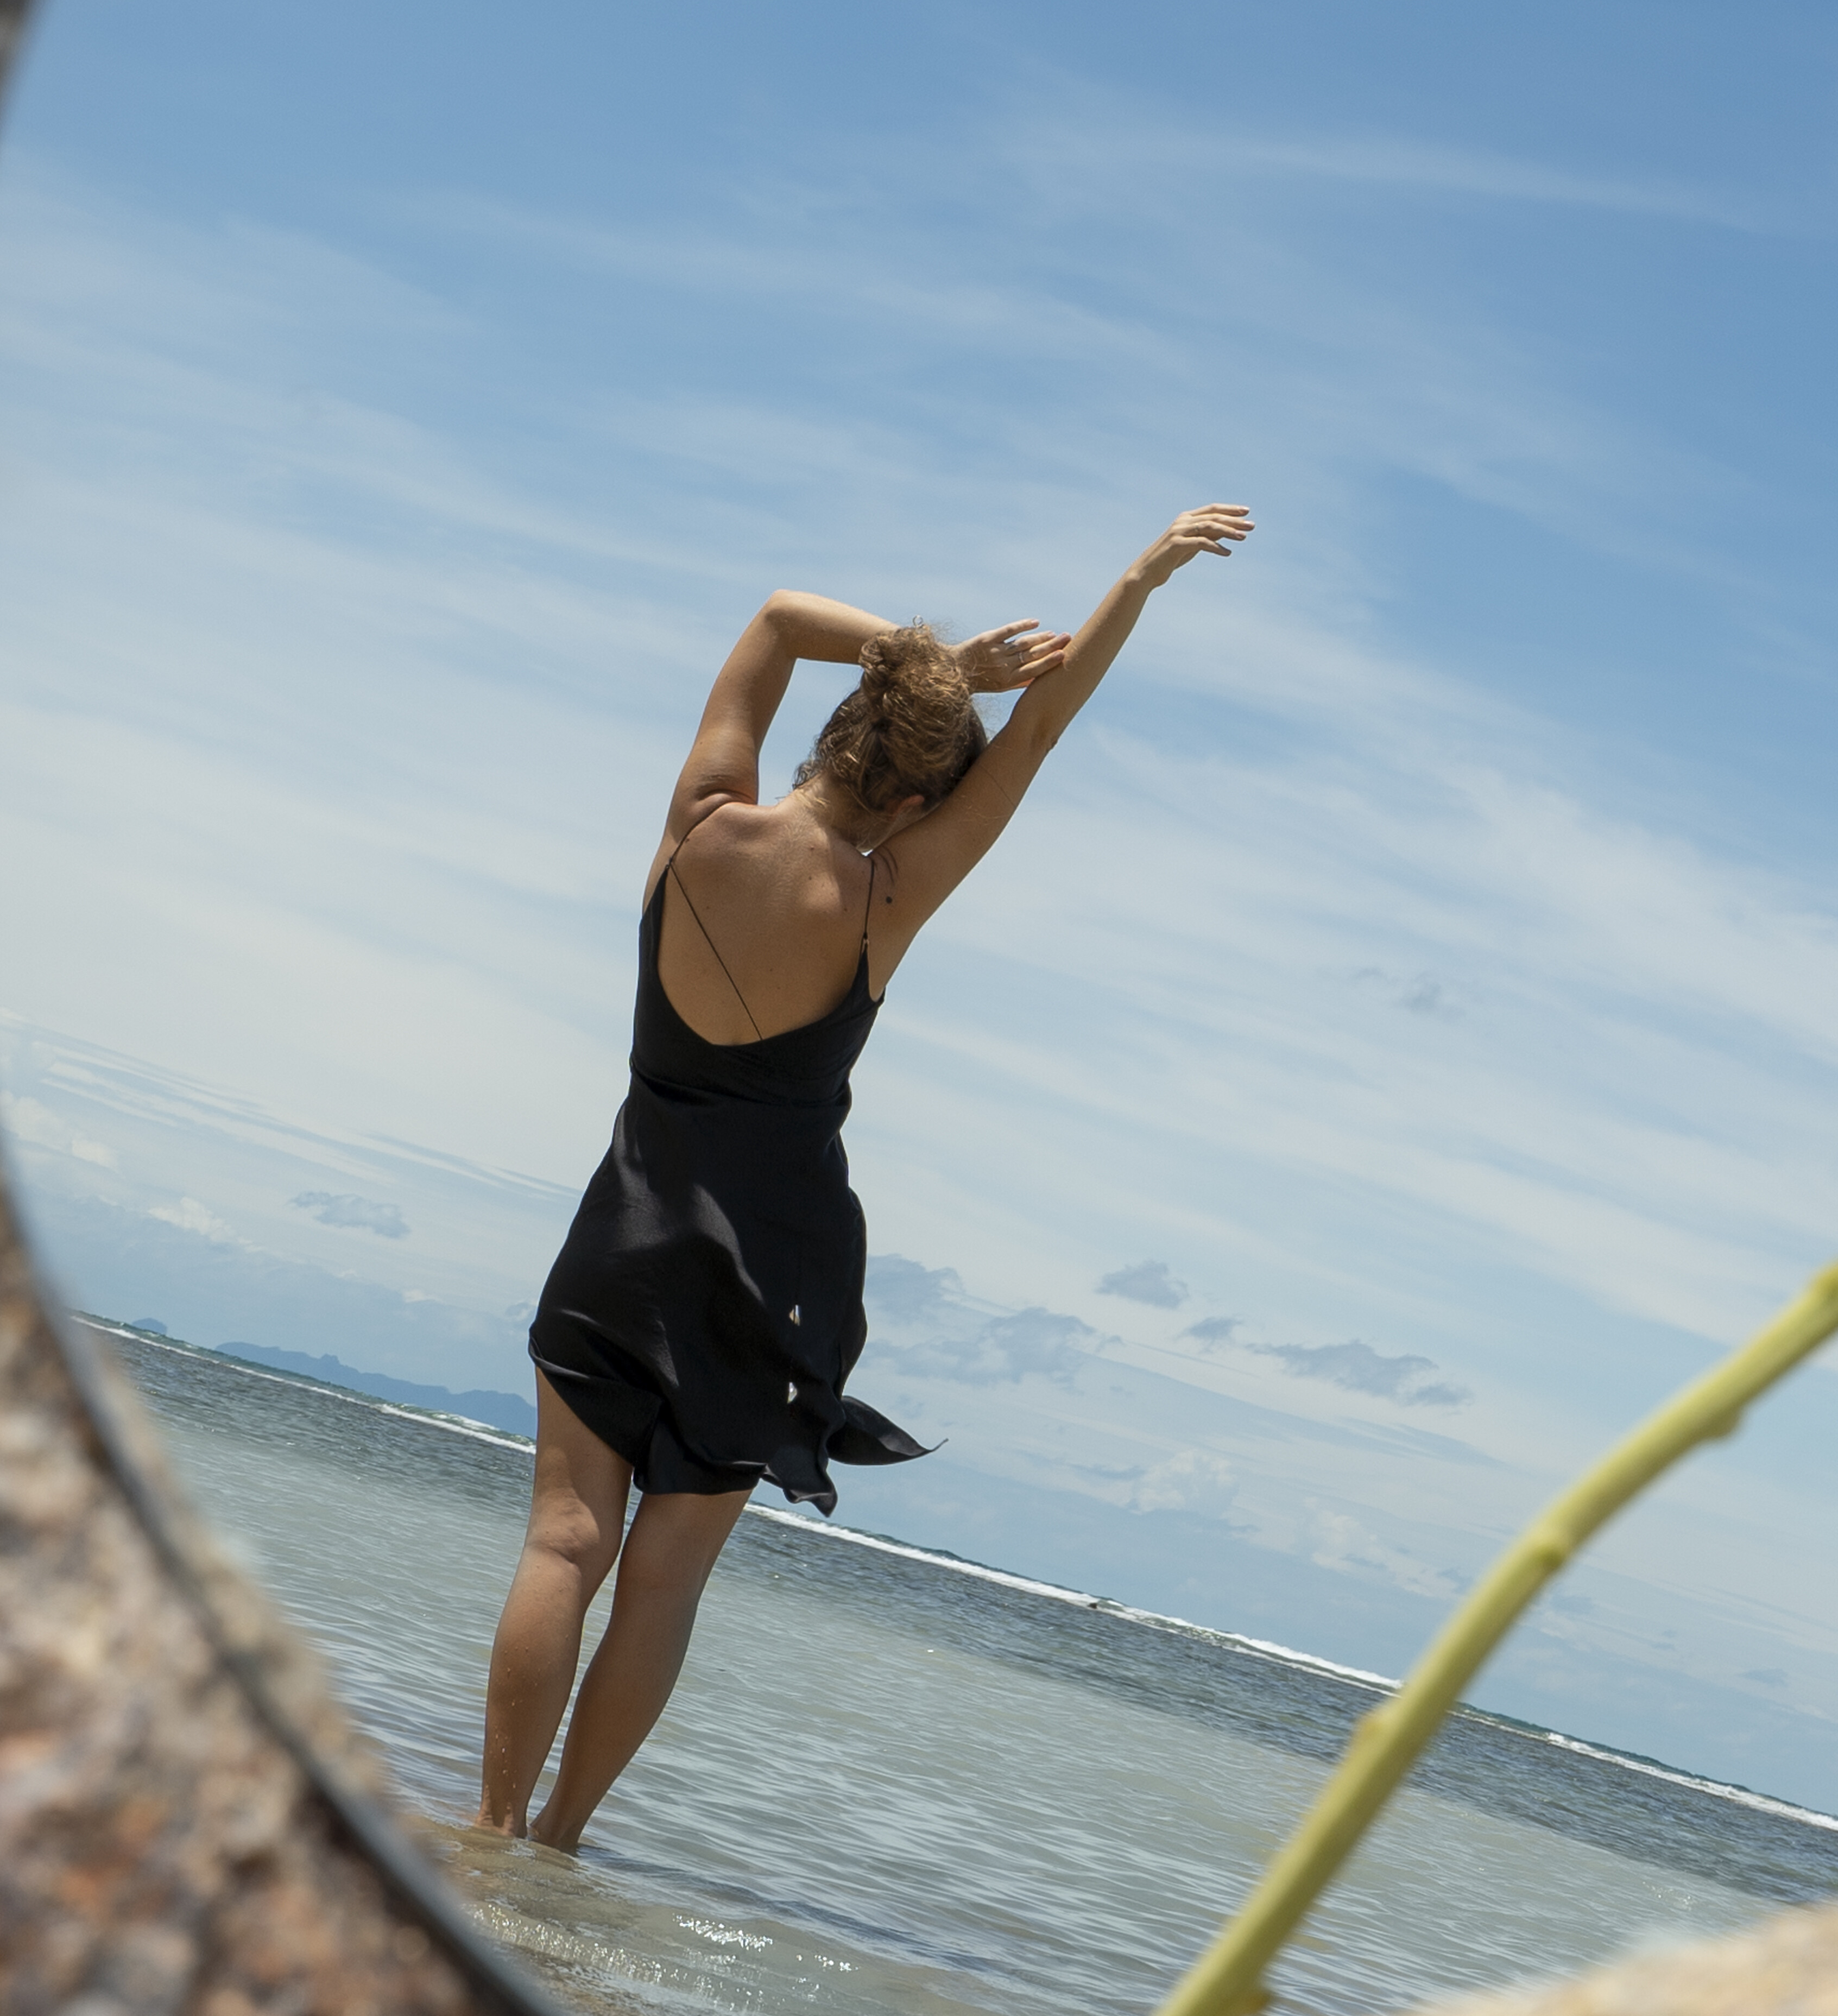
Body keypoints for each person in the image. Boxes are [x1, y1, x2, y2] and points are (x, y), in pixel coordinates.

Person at [473, 504, 1253, 1849]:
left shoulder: (699, 824)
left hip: (622, 1237)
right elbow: (1041, 731)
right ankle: (555, 1851)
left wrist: (936, 660)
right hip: (770, 1277)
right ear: (909, 801)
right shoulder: (889, 897)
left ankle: (484, 1839)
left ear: (836, 736)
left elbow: (779, 618)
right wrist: (1140, 575)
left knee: (563, 1545)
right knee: (660, 1585)